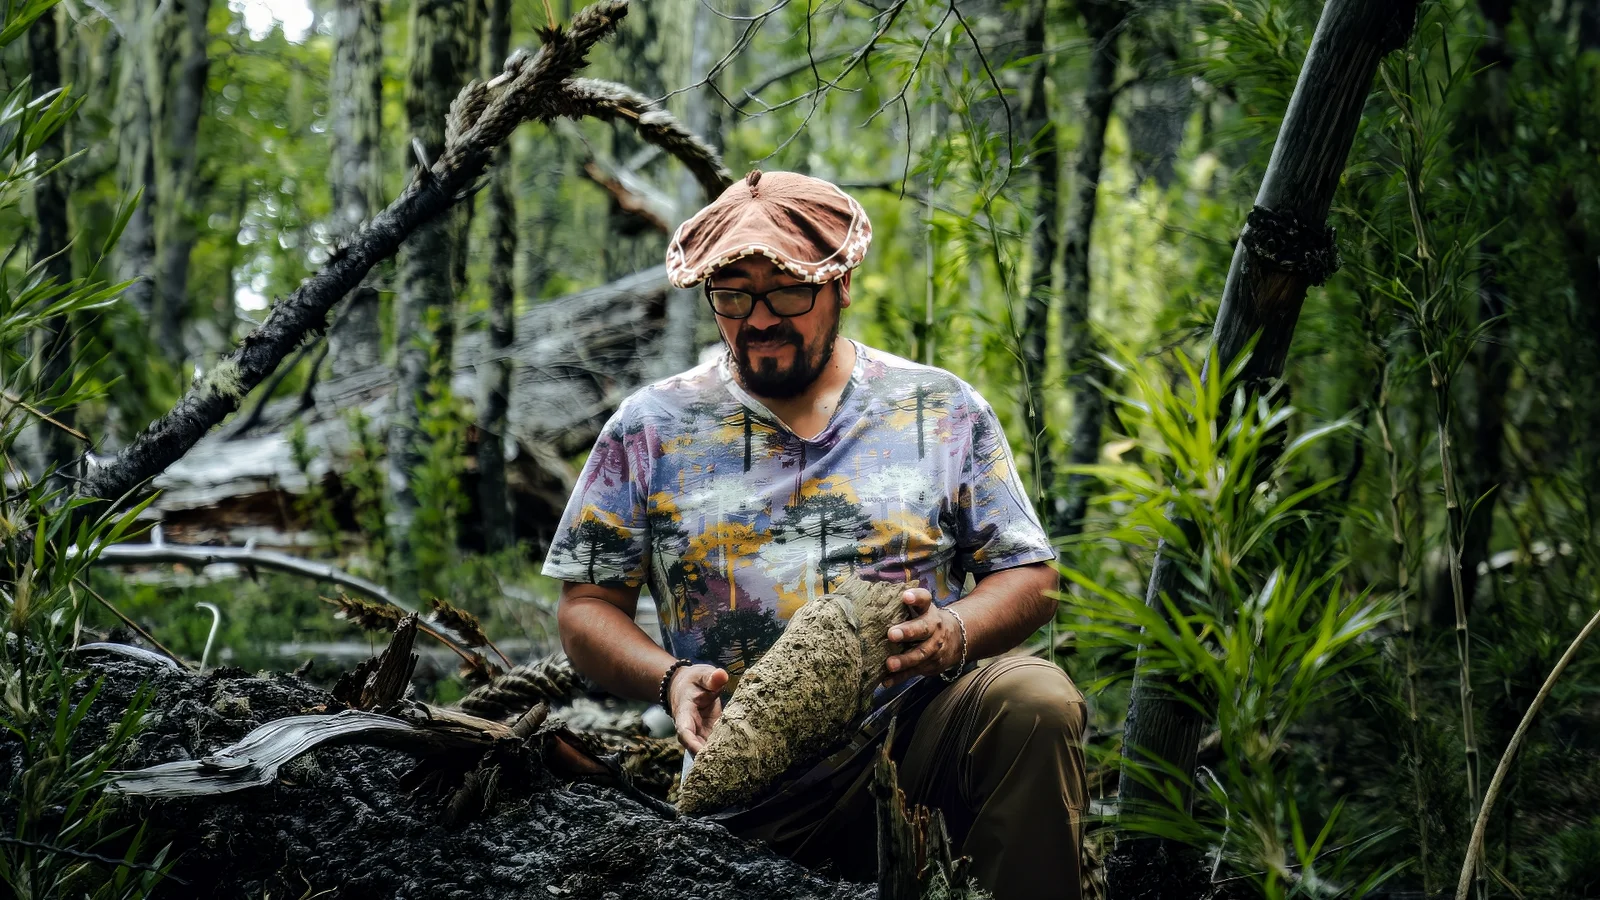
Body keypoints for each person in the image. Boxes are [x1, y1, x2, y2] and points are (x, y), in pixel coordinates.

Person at [542, 169, 1088, 899]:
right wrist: (671, 681)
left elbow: (1032, 577)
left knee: (1035, 700)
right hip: (748, 777)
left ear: (842, 283)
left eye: (788, 291)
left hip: (916, 742)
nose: (758, 318)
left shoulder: (936, 408)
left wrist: (950, 634)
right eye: (732, 295)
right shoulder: (652, 427)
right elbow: (586, 609)